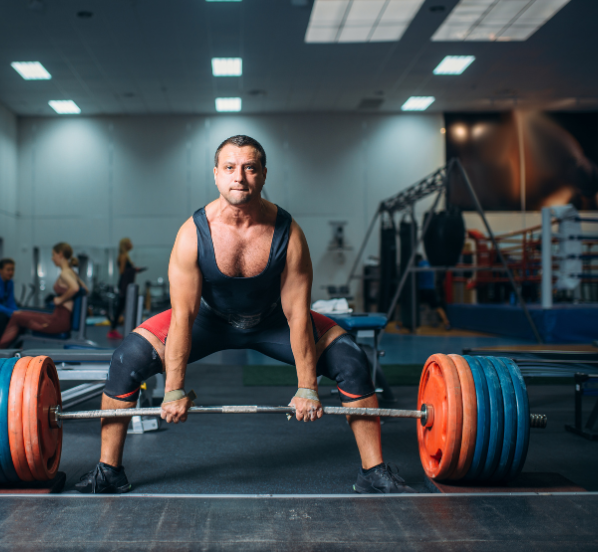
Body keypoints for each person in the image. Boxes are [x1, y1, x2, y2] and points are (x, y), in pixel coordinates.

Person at [75, 135, 415, 495]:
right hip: (208, 320)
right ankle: (109, 471)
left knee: (352, 360)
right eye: (230, 168)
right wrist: (173, 390)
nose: (240, 177)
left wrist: (307, 387)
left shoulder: (288, 233)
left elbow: (298, 314)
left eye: (250, 168)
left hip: (273, 322)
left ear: (264, 175)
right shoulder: (193, 234)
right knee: (126, 359)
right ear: (216, 175)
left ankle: (373, 472)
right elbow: (184, 316)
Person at [0, 243, 82, 349]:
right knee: (20, 314)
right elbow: (84, 289)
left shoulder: (65, 273)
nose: (52, 258)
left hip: (58, 321)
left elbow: (75, 288)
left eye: (53, 254)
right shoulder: (71, 272)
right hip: (58, 318)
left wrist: (60, 299)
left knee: (17, 316)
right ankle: (10, 350)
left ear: (60, 254)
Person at [106, 238, 146, 339]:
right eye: (129, 243)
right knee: (120, 308)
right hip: (124, 286)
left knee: (123, 308)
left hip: (126, 285)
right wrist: (133, 270)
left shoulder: (125, 256)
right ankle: (112, 330)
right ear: (125, 244)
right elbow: (122, 272)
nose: (131, 244)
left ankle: (116, 329)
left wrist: (134, 269)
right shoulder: (123, 256)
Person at [416, 254, 451, 330]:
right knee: (438, 307)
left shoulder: (417, 265)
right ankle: (447, 323)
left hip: (421, 289)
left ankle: (402, 324)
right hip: (431, 289)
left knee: (412, 306)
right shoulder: (430, 263)